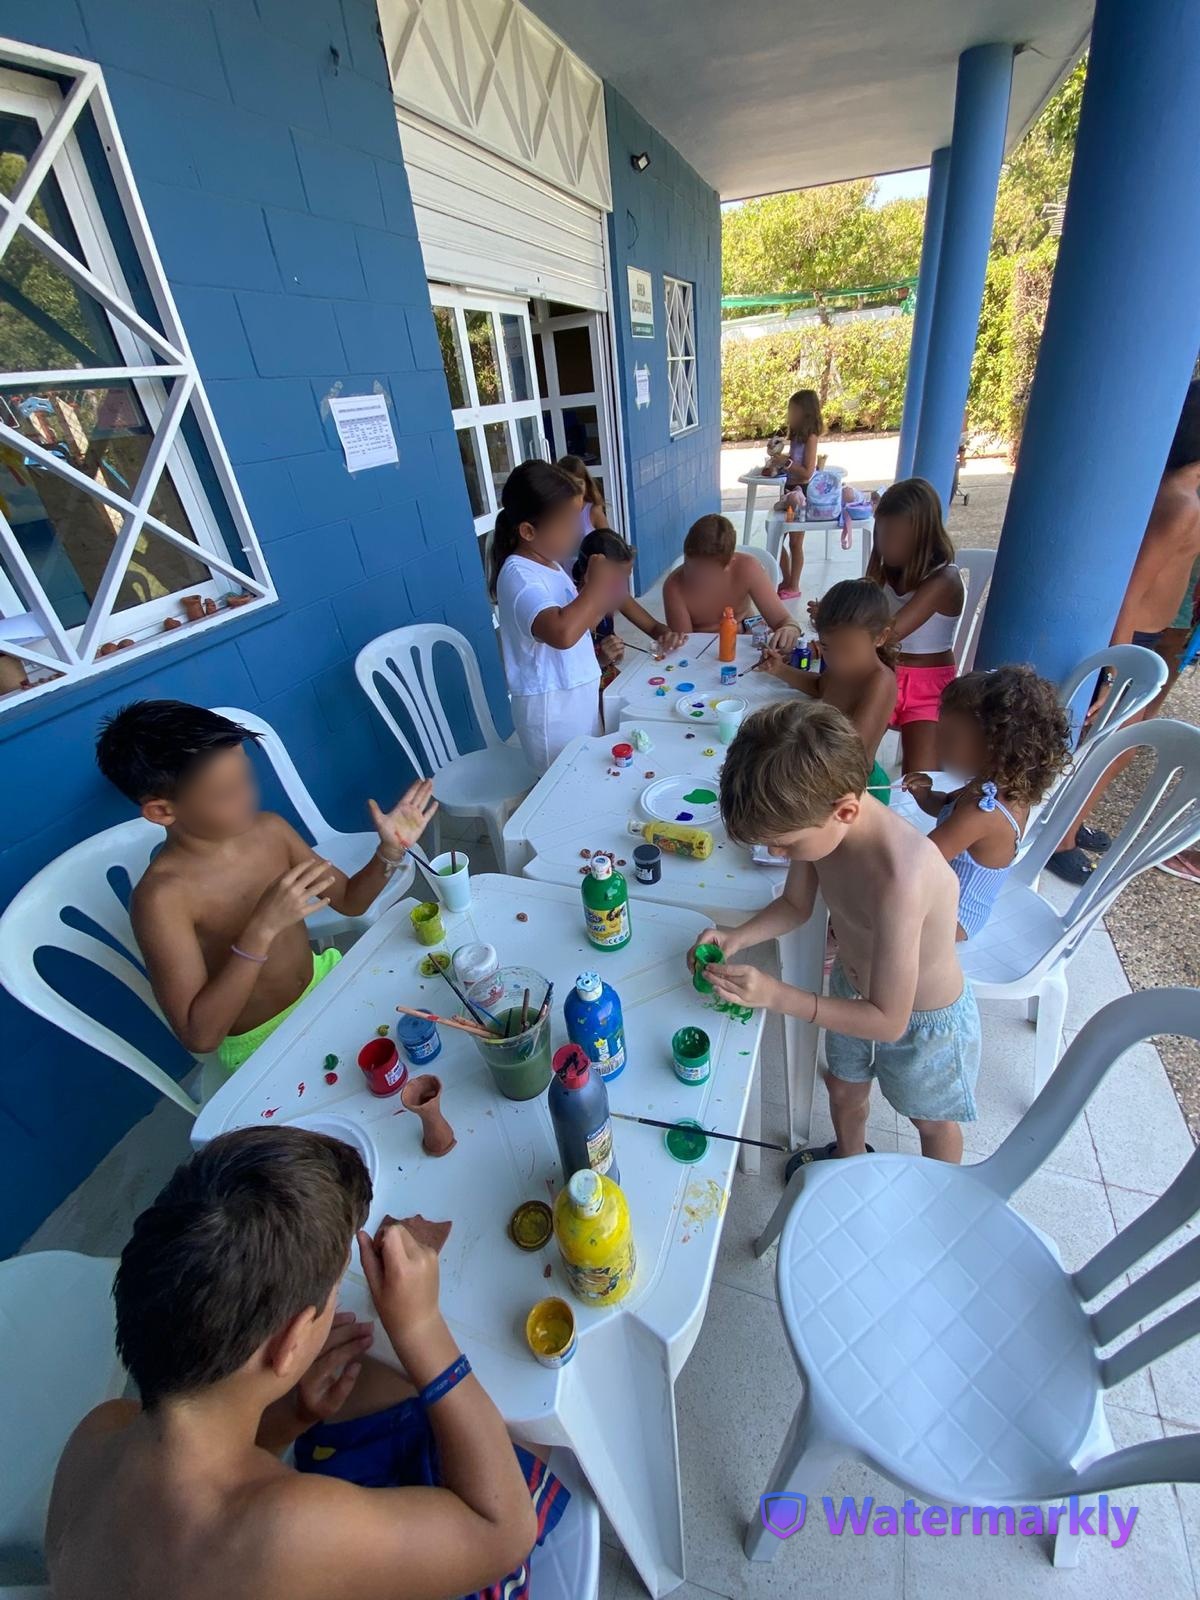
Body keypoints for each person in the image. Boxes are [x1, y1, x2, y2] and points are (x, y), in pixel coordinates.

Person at [46, 1125, 562, 1600]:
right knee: (523, 1420)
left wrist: (291, 1418)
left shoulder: (96, 1436)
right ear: (290, 1342)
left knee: (372, 1386)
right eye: (336, 1289)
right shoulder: (286, 1532)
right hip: (470, 1534)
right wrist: (420, 1329)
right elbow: (504, 1532)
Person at [691, 699, 979, 1167]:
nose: (778, 853)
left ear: (844, 811)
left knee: (930, 1120)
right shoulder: (820, 824)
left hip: (921, 1021)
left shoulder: (901, 880)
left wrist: (776, 995)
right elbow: (795, 906)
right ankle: (849, 1162)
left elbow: (889, 1020)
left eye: (784, 845)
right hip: (851, 985)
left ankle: (941, 1190)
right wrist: (736, 937)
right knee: (843, 1088)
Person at [95, 702, 437, 1073]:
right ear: (162, 811)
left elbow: (351, 902)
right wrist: (261, 930)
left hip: (323, 983)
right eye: (226, 794)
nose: (248, 797)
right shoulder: (162, 898)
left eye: (246, 778)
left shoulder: (271, 831)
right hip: (260, 1044)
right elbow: (200, 1036)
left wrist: (388, 852)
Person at [1047, 379, 1200, 883]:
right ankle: (1061, 837)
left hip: (1155, 636)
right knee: (1115, 746)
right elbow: (1132, 590)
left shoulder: (1175, 491)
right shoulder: (1180, 501)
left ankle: (1071, 822)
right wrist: (1114, 670)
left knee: (1117, 745)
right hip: (1141, 639)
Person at [903, 666, 1072, 939]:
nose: (937, 746)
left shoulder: (982, 814)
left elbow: (917, 862)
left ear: (993, 748)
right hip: (942, 892)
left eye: (950, 739)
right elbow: (945, 807)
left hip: (954, 918)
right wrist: (925, 796)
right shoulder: (991, 786)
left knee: (876, 897)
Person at [491, 459, 615, 774]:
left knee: (586, 778)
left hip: (578, 699)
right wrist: (593, 589)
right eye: (566, 524)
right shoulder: (519, 576)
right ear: (528, 531)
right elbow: (562, 633)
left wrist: (597, 590)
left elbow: (583, 623)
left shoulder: (551, 565)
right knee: (562, 787)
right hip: (552, 714)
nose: (577, 532)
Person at [757, 577, 897, 800]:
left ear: (880, 637)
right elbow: (819, 686)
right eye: (827, 647)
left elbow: (851, 749)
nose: (837, 661)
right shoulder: (843, 667)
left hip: (857, 789)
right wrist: (779, 669)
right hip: (826, 770)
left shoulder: (880, 681)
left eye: (848, 650)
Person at [865, 477, 964, 775]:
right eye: (882, 534)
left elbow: (890, 632)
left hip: (928, 690)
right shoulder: (885, 568)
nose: (886, 545)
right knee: (851, 757)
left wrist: (845, 627)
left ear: (922, 537)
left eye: (896, 537)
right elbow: (863, 607)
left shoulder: (944, 580)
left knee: (920, 783)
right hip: (884, 675)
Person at [570, 526, 685, 692]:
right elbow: (569, 672)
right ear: (592, 574)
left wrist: (668, 636)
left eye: (624, 579)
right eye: (613, 580)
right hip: (583, 689)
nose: (619, 588)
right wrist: (601, 660)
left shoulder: (616, 594)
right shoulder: (572, 609)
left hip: (607, 677)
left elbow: (652, 626)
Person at [663, 513, 799, 650]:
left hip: (745, 642)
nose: (696, 579)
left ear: (729, 564)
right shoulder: (674, 587)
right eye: (690, 567)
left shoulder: (747, 569)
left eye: (707, 575)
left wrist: (789, 629)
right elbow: (686, 647)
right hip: (703, 652)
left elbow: (783, 621)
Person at [765, 389, 822, 598]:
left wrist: (786, 462)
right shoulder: (796, 436)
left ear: (805, 412)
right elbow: (792, 462)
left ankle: (794, 585)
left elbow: (807, 471)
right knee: (777, 534)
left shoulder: (811, 437)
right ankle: (787, 579)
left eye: (794, 410)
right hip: (789, 490)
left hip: (801, 494)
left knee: (796, 542)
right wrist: (777, 457)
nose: (790, 414)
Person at [556, 454, 609, 538]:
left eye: (579, 483)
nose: (574, 489)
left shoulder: (593, 511)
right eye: (568, 484)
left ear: (586, 482)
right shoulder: (556, 511)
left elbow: (608, 540)